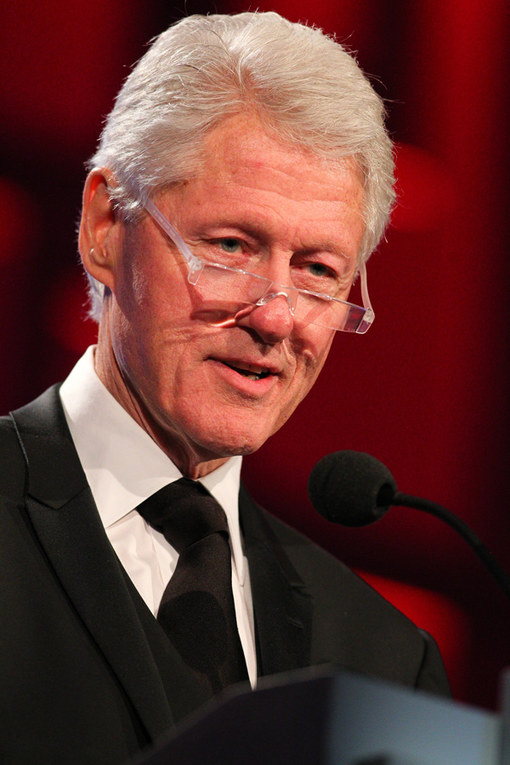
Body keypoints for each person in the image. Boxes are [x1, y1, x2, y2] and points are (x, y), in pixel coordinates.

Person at [0, 11, 449, 765]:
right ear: (105, 226)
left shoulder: (384, 662)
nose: (276, 317)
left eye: (318, 270)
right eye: (232, 245)